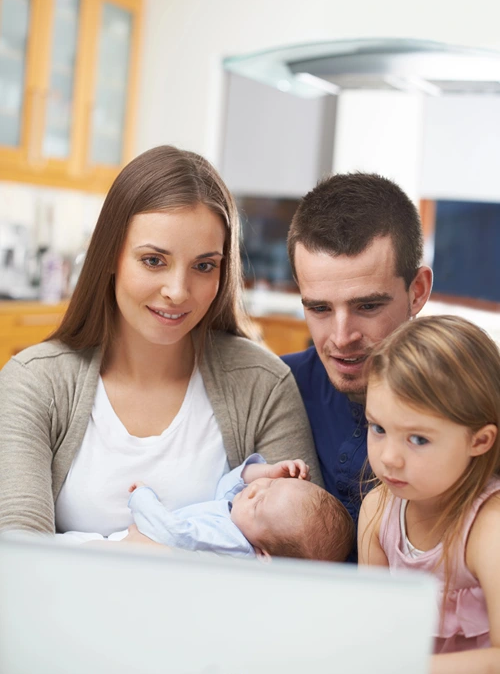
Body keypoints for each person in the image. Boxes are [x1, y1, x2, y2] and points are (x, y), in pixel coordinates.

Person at [0, 145, 321, 541]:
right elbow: (16, 559)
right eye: (153, 260)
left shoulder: (263, 385)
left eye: (204, 266)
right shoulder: (33, 384)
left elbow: (301, 559)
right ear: (109, 258)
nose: (177, 291)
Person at [282, 173, 433, 527]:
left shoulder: (478, 400)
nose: (341, 337)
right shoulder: (272, 390)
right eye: (319, 309)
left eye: (367, 307)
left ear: (418, 291)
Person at [358, 315, 500, 672]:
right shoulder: (377, 510)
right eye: (378, 428)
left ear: (479, 441)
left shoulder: (490, 529)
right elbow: (368, 629)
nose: (389, 457)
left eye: (418, 439)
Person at [100, 455, 353, 562]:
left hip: (124, 552)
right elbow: (228, 487)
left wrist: (143, 498)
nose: (254, 489)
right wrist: (267, 471)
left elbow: (173, 534)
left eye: (259, 503)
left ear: (263, 554)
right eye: (271, 485)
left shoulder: (233, 542)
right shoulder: (241, 522)